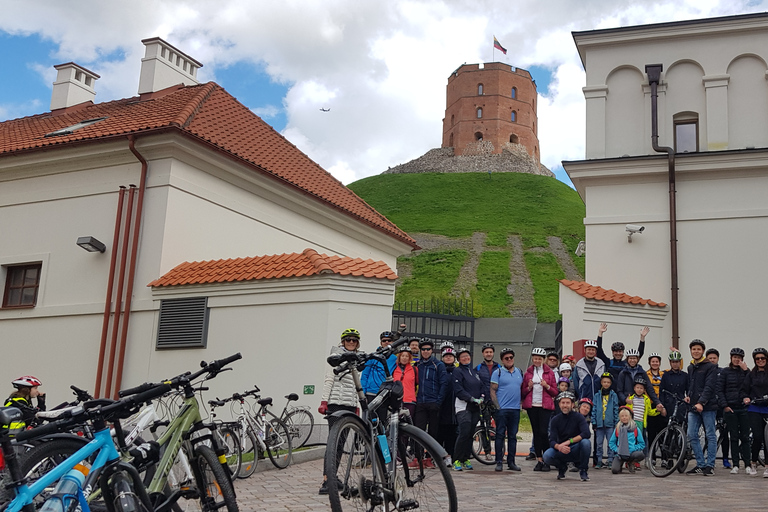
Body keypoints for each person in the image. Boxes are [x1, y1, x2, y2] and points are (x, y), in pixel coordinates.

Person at [318, 328, 361, 494]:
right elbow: (329, 380)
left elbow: (357, 385)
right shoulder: (335, 358)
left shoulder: (357, 359)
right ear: (343, 341)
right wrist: (324, 402)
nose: (351, 342)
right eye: (348, 340)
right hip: (336, 404)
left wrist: (357, 405)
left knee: (341, 444)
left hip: (350, 405)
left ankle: (333, 477)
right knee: (333, 443)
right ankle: (326, 480)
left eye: (354, 340)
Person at [684, 338, 719, 476]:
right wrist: (689, 396)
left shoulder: (710, 366)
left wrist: (701, 402)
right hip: (694, 406)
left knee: (710, 435)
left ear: (703, 351)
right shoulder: (691, 367)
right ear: (691, 351)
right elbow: (692, 385)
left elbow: (709, 387)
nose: (696, 351)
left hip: (708, 406)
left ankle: (710, 466)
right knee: (692, 434)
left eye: (698, 349)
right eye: (693, 349)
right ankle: (700, 464)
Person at [522, 347, 558, 471]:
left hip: (545, 406)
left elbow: (555, 391)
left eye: (539, 359)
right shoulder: (528, 373)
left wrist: (546, 386)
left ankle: (547, 459)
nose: (537, 361)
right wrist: (529, 387)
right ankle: (539, 459)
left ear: (544, 360)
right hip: (532, 406)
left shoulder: (550, 373)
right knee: (536, 433)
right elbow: (523, 392)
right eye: (535, 358)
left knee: (544, 432)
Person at [543, 391, 592, 481]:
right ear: (559, 404)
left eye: (568, 403)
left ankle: (583, 470)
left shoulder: (579, 417)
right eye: (563, 403)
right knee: (547, 456)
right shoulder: (555, 420)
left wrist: (569, 442)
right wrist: (559, 447)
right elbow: (552, 440)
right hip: (561, 449)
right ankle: (562, 467)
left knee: (586, 443)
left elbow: (586, 433)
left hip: (576, 448)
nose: (565, 405)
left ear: (573, 404)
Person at [718, 347, 751, 475]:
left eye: (739, 358)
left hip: (743, 408)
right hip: (730, 408)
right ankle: (736, 464)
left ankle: (747, 464)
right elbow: (719, 390)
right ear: (731, 358)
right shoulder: (725, 372)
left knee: (745, 437)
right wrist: (724, 405)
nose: (737, 359)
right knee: (734, 437)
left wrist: (746, 371)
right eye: (735, 357)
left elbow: (751, 385)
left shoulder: (746, 372)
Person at [490, 347, 523, 472]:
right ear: (502, 360)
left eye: (511, 357)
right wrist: (497, 407)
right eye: (506, 358)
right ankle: (499, 461)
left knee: (513, 436)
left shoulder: (519, 372)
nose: (509, 360)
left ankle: (511, 461)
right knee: (499, 435)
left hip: (515, 409)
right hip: (502, 409)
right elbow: (492, 390)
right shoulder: (497, 372)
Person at [452, 347, 483, 471]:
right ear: (459, 359)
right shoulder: (457, 371)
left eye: (467, 356)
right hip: (463, 406)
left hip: (475, 407)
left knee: (471, 434)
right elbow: (458, 390)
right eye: (462, 357)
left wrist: (482, 397)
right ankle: (457, 460)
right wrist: (471, 398)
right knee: (464, 432)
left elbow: (481, 386)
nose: (466, 358)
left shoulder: (474, 372)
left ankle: (465, 458)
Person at [414, 338, 447, 450]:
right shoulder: (417, 365)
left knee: (433, 432)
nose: (426, 351)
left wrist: (439, 402)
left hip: (434, 402)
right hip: (420, 402)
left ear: (432, 350)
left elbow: (444, 384)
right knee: (418, 431)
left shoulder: (439, 365)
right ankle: (418, 457)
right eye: (423, 349)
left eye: (428, 349)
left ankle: (430, 457)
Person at [741, 347, 768, 477]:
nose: (760, 360)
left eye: (762, 358)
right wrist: (746, 398)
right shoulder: (751, 375)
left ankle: (767, 466)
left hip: (767, 408)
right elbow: (744, 390)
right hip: (755, 408)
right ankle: (753, 462)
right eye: (757, 359)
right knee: (758, 437)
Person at [706, 348, 730, 469]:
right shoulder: (704, 371)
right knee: (708, 432)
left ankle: (725, 458)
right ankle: (709, 457)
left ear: (718, 359)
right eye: (710, 358)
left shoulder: (722, 372)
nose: (712, 360)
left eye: (714, 358)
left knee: (724, 433)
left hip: (721, 405)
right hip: (708, 406)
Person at [626, 377, 659, 465]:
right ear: (634, 388)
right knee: (632, 442)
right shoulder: (631, 399)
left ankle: (643, 460)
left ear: (644, 390)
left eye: (641, 388)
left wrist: (657, 410)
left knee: (642, 443)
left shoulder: (646, 400)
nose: (639, 390)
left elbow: (650, 412)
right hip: (632, 424)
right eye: (637, 387)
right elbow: (626, 411)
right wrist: (627, 402)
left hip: (641, 424)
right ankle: (631, 460)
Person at [475, 343, 499, 459]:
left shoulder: (499, 368)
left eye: (490, 352)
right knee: (485, 427)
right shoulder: (478, 368)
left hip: (497, 402)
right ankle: (487, 452)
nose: (488, 354)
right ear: (483, 354)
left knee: (500, 428)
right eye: (486, 352)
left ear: (493, 353)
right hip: (484, 401)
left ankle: (500, 451)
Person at [360, 331, 397, 404]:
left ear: (392, 342)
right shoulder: (372, 356)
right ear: (381, 343)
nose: (386, 342)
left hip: (385, 393)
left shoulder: (395, 359)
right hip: (371, 392)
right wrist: (362, 393)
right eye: (384, 340)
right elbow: (365, 375)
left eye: (389, 340)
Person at [592, 372, 619, 469]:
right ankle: (599, 460)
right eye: (604, 382)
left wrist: (617, 422)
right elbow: (594, 409)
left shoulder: (613, 395)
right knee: (599, 443)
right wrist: (594, 422)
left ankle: (610, 460)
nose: (606, 384)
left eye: (608, 382)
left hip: (610, 424)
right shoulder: (597, 395)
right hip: (599, 424)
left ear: (611, 383)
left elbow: (616, 409)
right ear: (601, 383)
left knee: (610, 443)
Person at [438, 342, 458, 465]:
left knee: (452, 433)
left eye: (450, 356)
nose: (448, 358)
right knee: (441, 432)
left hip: (454, 406)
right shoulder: (440, 370)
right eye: (446, 356)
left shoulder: (457, 371)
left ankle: (451, 455)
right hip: (442, 405)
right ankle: (440, 456)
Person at [609, 406, 645, 474]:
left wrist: (634, 448)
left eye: (626, 416)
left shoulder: (635, 429)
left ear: (630, 417)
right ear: (620, 417)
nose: (624, 417)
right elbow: (611, 443)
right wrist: (617, 449)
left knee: (641, 454)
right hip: (620, 454)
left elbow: (642, 444)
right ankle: (620, 463)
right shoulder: (617, 429)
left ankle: (631, 462)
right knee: (615, 470)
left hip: (631, 453)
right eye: (622, 416)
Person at [659, 350, 689, 424]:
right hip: (668, 405)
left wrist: (687, 397)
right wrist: (662, 407)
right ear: (670, 363)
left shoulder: (685, 375)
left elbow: (688, 390)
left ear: (680, 362)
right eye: (673, 362)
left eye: (677, 362)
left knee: (681, 426)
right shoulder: (666, 375)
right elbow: (661, 392)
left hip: (680, 404)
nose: (675, 364)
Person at [645, 352, 667, 453]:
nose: (655, 363)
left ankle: (664, 457)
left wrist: (676, 352)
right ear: (649, 362)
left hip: (662, 405)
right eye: (653, 361)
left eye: (657, 361)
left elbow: (677, 366)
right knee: (651, 433)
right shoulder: (646, 374)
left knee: (663, 432)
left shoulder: (664, 374)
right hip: (651, 406)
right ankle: (651, 457)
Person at [574, 340, 605, 405]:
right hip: (584, 398)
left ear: (595, 351)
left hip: (599, 399)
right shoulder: (579, 365)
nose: (591, 352)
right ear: (584, 350)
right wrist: (580, 393)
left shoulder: (601, 365)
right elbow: (576, 382)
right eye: (589, 349)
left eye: (593, 350)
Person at [392, 345, 417, 420]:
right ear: (399, 357)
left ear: (410, 358)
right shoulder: (394, 369)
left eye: (407, 356)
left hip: (409, 401)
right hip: (397, 401)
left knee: (407, 424)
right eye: (402, 356)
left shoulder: (414, 369)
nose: (404, 358)